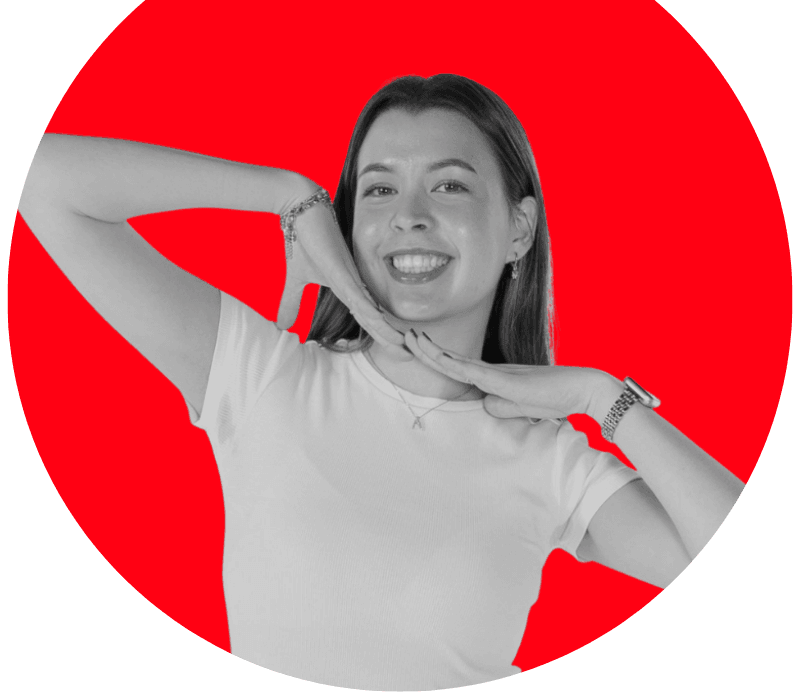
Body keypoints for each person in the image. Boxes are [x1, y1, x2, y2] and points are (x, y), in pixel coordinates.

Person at [18, 74, 744, 691]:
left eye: (450, 185)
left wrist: (600, 397)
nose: (409, 217)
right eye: (379, 189)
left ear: (519, 229)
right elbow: (42, 179)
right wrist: (289, 195)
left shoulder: (550, 461)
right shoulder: (262, 375)